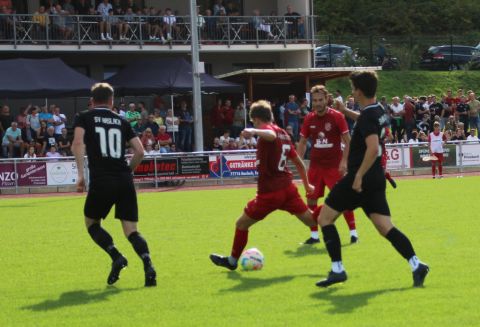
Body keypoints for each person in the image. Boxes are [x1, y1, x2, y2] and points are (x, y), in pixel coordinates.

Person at [315, 71, 428, 288]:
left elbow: (373, 147)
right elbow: (368, 123)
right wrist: (346, 111)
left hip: (361, 178)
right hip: (376, 177)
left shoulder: (368, 115)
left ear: (358, 90)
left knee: (324, 218)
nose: (352, 91)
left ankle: (337, 269)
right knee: (385, 227)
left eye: (352, 88)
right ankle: (417, 265)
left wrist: (357, 176)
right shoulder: (379, 110)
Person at [209, 100, 317, 270]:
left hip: (270, 193)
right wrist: (307, 184)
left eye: (253, 122)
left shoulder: (270, 131)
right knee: (311, 220)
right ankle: (337, 206)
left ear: (257, 119)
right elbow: (298, 162)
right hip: (288, 189)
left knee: (241, 224)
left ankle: (232, 261)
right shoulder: (284, 133)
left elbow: (270, 135)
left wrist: (253, 131)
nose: (253, 125)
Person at [72, 83, 156, 287]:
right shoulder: (122, 120)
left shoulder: (84, 117)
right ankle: (148, 264)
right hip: (124, 180)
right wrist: (128, 172)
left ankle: (116, 256)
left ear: (92, 101)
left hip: (102, 180)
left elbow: (77, 143)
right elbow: (140, 151)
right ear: (111, 101)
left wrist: (81, 175)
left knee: (92, 224)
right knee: (132, 231)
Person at [297, 85, 358, 245]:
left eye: (320, 100)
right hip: (316, 167)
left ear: (327, 99)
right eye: (315, 100)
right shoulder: (309, 118)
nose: (317, 103)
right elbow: (303, 142)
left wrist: (344, 162)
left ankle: (353, 233)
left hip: (334, 167)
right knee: (311, 200)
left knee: (342, 199)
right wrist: (299, 160)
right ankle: (315, 236)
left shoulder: (337, 116)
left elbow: (348, 142)